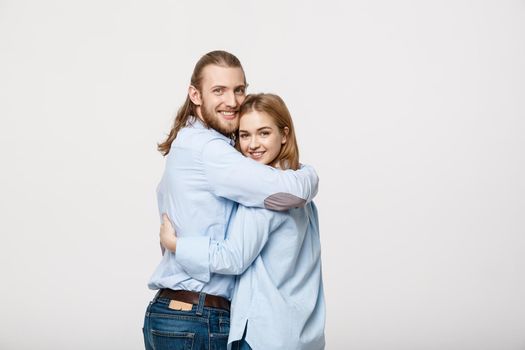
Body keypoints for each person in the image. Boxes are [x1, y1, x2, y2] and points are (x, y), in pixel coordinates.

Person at [142, 51, 319, 350]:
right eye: (219, 90)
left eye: (239, 89)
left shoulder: (189, 142)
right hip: (197, 318)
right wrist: (309, 175)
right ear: (195, 95)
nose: (233, 101)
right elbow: (291, 194)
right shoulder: (212, 152)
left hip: (180, 314)